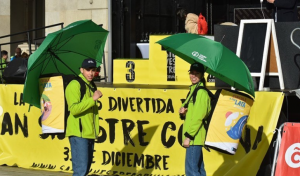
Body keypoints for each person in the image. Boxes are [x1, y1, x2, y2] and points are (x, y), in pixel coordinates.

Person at [65, 58, 103, 176]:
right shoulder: (74, 84)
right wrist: (92, 99)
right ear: (81, 70)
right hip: (78, 133)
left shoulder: (91, 85)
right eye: (87, 70)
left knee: (85, 170)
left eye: (93, 70)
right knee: (80, 171)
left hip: (89, 133)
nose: (91, 73)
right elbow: (74, 109)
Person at [179, 62, 211, 176]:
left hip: (194, 137)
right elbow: (192, 114)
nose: (193, 76)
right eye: (191, 73)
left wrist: (189, 137)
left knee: (191, 171)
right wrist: (183, 112)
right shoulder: (193, 90)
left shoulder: (201, 92)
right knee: (199, 170)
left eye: (196, 74)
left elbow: (198, 118)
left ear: (202, 75)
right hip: (194, 137)